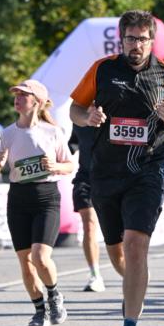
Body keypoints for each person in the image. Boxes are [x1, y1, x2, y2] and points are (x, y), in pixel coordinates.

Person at [70, 10, 164, 326]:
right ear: (121, 39)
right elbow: (75, 108)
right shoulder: (103, 69)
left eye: (142, 39)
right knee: (118, 252)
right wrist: (88, 116)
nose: (136, 45)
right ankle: (136, 284)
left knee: (134, 245)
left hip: (148, 168)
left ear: (151, 41)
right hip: (106, 172)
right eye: (130, 38)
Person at [0, 79, 74, 326]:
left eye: (24, 95)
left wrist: (55, 166)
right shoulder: (7, 135)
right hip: (18, 199)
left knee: (40, 257)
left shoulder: (52, 132)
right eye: (16, 94)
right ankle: (39, 310)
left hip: (46, 197)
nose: (17, 98)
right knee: (25, 261)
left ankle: (54, 295)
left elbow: (69, 165)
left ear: (37, 102)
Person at [71, 125, 106, 292]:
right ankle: (95, 274)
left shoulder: (115, 114)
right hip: (85, 179)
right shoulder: (79, 119)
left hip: (112, 179)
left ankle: (132, 269)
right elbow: (70, 146)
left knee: (119, 234)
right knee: (89, 224)